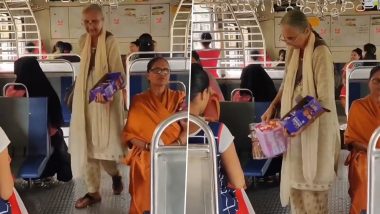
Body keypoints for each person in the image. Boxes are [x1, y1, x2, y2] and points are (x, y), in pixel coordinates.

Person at [261, 10, 340, 213]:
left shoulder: (320, 52)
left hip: (315, 133)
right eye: (284, 38)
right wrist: (273, 106)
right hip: (294, 133)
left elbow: (324, 100)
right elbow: (286, 84)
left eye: (291, 38)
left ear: (307, 30)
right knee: (297, 193)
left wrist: (294, 124)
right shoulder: (292, 51)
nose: (287, 42)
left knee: (314, 199)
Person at [69, 4, 125, 209]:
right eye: (87, 22)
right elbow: (85, 72)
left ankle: (116, 175)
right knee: (88, 148)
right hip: (85, 100)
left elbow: (118, 73)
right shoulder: (82, 41)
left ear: (102, 21)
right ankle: (93, 192)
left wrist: (107, 94)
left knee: (105, 149)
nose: (91, 26)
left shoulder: (110, 41)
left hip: (106, 104)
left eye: (95, 21)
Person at [122, 57, 187, 214]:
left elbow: (188, 129)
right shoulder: (139, 100)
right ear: (148, 75)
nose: (162, 73)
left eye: (166, 70)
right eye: (157, 70)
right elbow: (130, 135)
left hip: (174, 153)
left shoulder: (179, 98)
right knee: (144, 177)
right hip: (146, 154)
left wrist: (174, 145)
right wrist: (150, 147)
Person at [188, 63, 255, 213]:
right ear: (203, 94)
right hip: (215, 206)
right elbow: (238, 182)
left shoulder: (164, 131)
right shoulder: (216, 132)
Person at [5, 57, 72, 183]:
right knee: (58, 136)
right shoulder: (47, 91)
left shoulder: (10, 91)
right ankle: (59, 169)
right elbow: (53, 126)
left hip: (17, 143)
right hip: (43, 144)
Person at [344, 66, 380, 214]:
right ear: (369, 83)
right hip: (366, 155)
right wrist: (373, 151)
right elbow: (352, 140)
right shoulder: (358, 106)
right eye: (376, 81)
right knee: (366, 174)